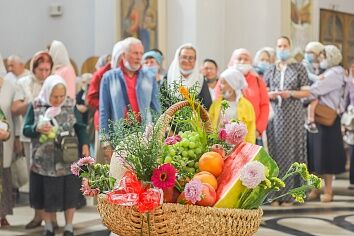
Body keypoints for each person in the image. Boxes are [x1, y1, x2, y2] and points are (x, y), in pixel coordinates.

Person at [23, 75, 90, 236]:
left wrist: (85, 144)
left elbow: (80, 127)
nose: (58, 100)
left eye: (61, 96)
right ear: (47, 92)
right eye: (54, 96)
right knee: (46, 194)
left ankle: (68, 226)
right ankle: (48, 226)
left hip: (68, 159)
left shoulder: (70, 104)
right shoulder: (36, 105)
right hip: (43, 162)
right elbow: (26, 129)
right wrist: (36, 128)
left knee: (69, 193)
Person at [264, 36, 310, 205]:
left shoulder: (299, 67)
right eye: (279, 46)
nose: (282, 48)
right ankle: (274, 195)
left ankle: (290, 194)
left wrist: (289, 93)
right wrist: (271, 94)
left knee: (291, 151)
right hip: (275, 113)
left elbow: (306, 92)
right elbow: (265, 89)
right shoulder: (271, 68)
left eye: (285, 46)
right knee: (275, 151)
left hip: (293, 114)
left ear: (290, 47)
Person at [11, 51, 54, 229]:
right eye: (40, 70)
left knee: (52, 176)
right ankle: (38, 215)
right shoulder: (24, 83)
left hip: (51, 135)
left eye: (47, 70)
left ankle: (52, 216)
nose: (44, 74)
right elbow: (15, 109)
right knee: (35, 176)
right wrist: (35, 102)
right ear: (33, 68)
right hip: (30, 135)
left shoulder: (53, 82)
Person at [99, 37, 160, 152]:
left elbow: (156, 109)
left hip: (144, 135)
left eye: (141, 53)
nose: (139, 57)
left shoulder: (149, 76)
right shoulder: (109, 77)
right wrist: (105, 142)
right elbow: (104, 111)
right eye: (135, 53)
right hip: (119, 135)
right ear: (124, 55)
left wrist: (159, 135)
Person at [307, 45, 347, 203]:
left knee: (327, 155)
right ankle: (315, 189)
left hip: (328, 119)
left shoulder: (335, 73)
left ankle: (328, 191)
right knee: (315, 154)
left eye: (324, 56)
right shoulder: (324, 72)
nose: (321, 59)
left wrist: (305, 89)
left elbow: (316, 90)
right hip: (317, 118)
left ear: (331, 57)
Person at [87, 40, 127, 162]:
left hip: (125, 122)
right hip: (104, 120)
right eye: (122, 58)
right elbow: (90, 98)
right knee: (104, 159)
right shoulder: (102, 73)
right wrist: (110, 106)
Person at [228, 48, 270, 144]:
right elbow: (218, 104)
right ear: (233, 60)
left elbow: (264, 105)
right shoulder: (225, 80)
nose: (242, 61)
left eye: (246, 59)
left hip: (253, 133)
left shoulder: (258, 81)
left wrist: (258, 129)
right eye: (239, 58)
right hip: (228, 133)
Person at [209, 68, 256, 143]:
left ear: (232, 85)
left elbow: (251, 132)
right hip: (218, 146)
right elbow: (209, 124)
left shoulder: (247, 106)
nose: (220, 86)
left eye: (223, 83)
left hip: (239, 148)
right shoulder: (216, 103)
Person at [162, 43, 212, 111]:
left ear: (195, 60)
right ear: (178, 58)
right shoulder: (168, 77)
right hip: (170, 119)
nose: (187, 61)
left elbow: (207, 104)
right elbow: (161, 101)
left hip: (195, 120)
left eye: (191, 58)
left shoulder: (200, 79)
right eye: (184, 57)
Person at [0, 73, 21, 227]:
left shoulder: (9, 86)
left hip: (3, 143)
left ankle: (2, 213)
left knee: (4, 176)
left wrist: (11, 134)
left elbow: (9, 118)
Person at [344, 60, 354, 190]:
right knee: (352, 150)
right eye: (352, 67)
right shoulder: (349, 84)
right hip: (352, 120)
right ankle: (352, 180)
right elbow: (346, 101)